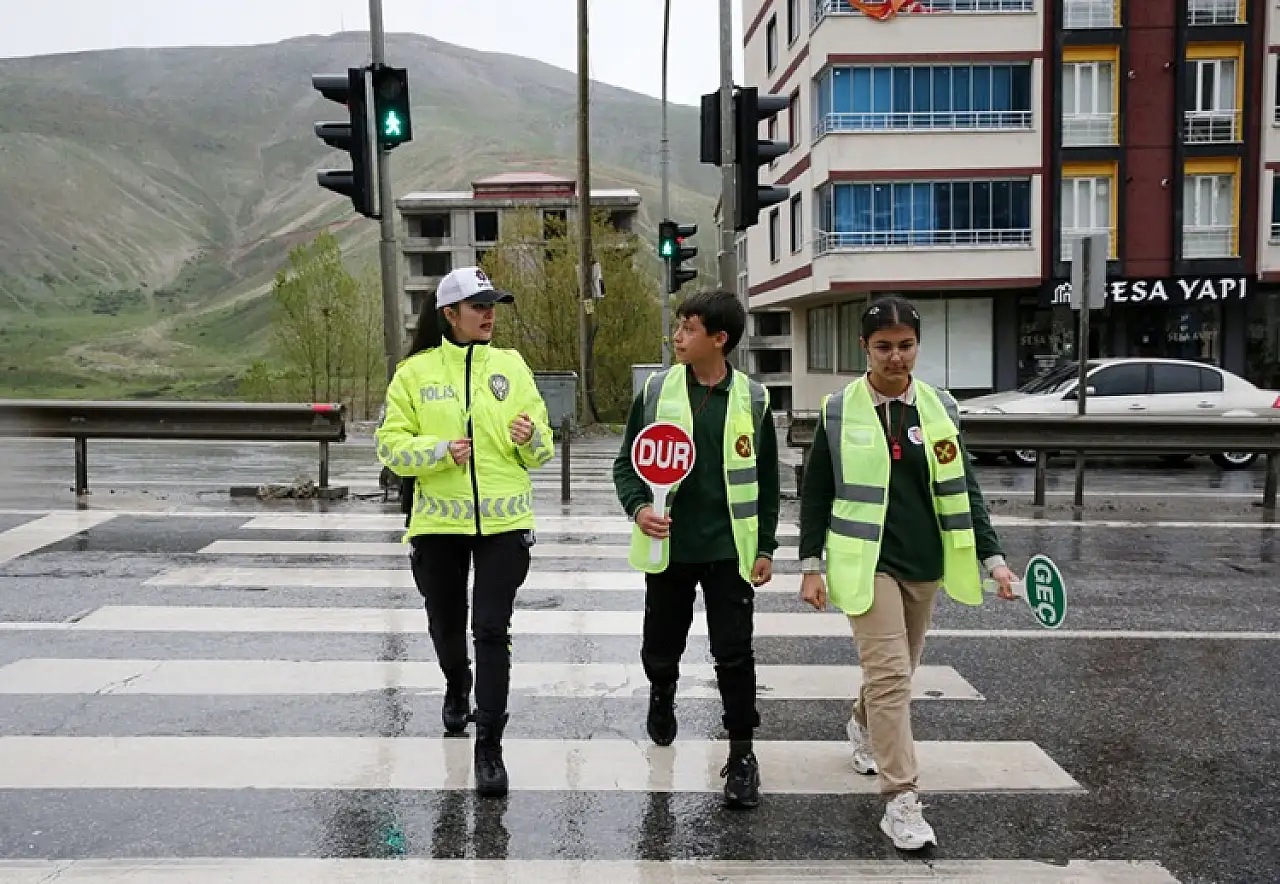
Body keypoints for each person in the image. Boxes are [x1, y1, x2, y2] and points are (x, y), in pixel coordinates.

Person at [797, 296, 1017, 850]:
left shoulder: (940, 408)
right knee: (892, 676)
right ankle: (901, 800)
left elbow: (965, 489)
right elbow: (817, 491)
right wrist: (810, 564)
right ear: (864, 349)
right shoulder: (839, 409)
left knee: (900, 671)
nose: (896, 357)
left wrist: (994, 560)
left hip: (927, 563)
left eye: (906, 345)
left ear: (918, 345)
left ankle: (863, 724)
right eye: (883, 347)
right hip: (866, 563)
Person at [376, 266, 554, 799]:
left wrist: (529, 437)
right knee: (447, 626)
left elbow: (542, 447)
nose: (489, 314)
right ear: (448, 314)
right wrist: (438, 451)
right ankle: (457, 684)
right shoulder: (414, 373)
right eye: (478, 306)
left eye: (492, 304)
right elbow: (389, 446)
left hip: (505, 523)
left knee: (492, 630)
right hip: (438, 523)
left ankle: (490, 747)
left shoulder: (512, 366)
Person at [612, 289, 780, 810]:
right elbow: (625, 466)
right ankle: (662, 691)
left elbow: (769, 481)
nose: (677, 337)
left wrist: (766, 547)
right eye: (678, 327)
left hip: (730, 552)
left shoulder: (753, 399)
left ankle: (742, 754)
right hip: (669, 550)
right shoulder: (658, 391)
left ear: (719, 339)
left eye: (688, 328)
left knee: (734, 654)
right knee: (661, 646)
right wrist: (640, 509)